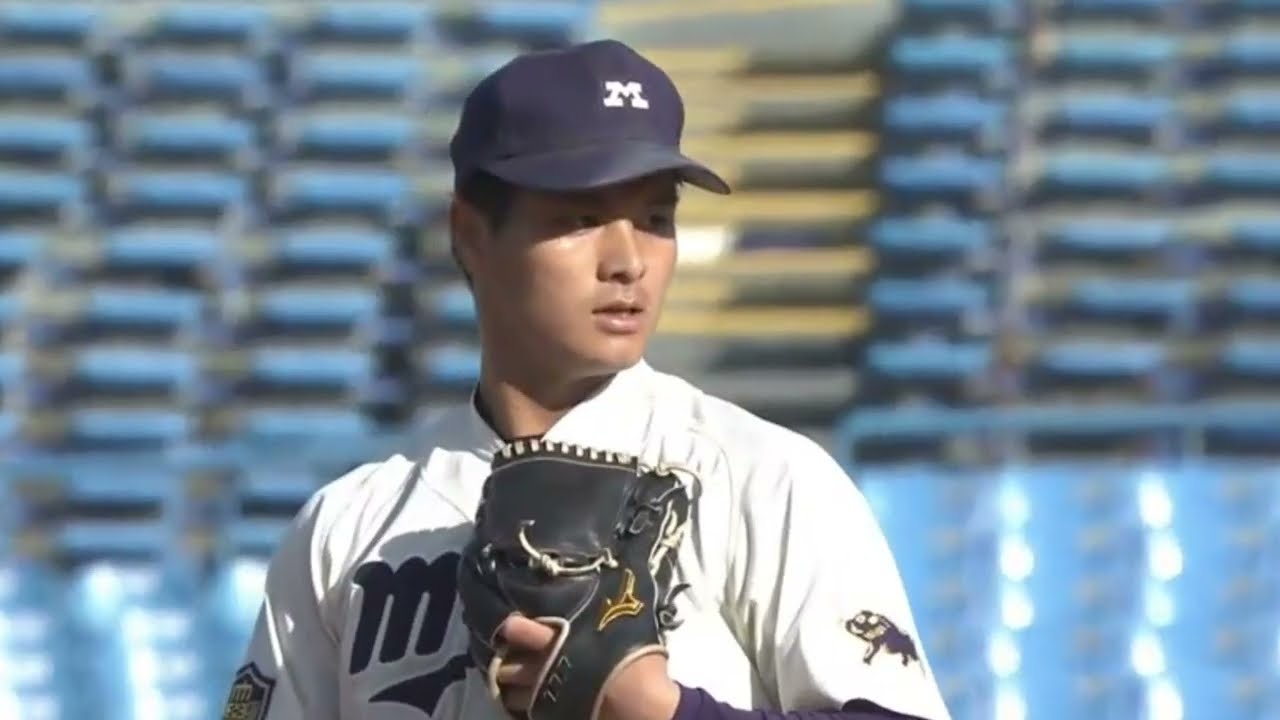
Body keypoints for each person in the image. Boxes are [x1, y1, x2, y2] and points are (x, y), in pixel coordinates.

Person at [223, 38, 952, 720]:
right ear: (471, 233)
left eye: (656, 218)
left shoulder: (763, 479)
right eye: (581, 217)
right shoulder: (348, 527)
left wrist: (665, 712)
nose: (628, 261)